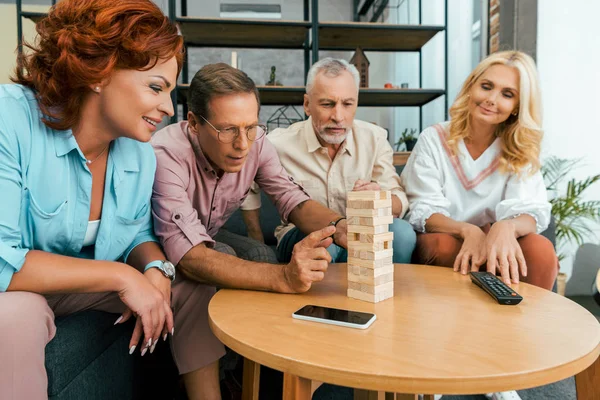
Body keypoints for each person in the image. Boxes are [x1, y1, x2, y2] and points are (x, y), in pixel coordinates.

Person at [0, 1, 222, 398]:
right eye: (156, 87)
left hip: (78, 285)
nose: (168, 108)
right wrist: (122, 276)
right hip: (16, 288)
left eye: (170, 91)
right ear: (98, 72)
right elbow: (3, 261)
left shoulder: (137, 151)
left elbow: (136, 230)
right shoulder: (10, 119)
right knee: (14, 317)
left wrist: (155, 268)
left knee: (194, 289)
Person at [150, 63, 350, 394]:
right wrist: (284, 277)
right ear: (194, 123)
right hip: (160, 245)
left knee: (259, 252)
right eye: (227, 129)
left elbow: (292, 200)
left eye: (251, 128)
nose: (243, 144)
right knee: (222, 259)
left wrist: (341, 227)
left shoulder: (255, 143)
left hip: (207, 233)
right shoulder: (166, 153)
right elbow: (190, 257)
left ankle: (262, 372)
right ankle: (218, 379)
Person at [401, 50, 558, 292]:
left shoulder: (520, 147)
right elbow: (423, 209)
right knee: (441, 246)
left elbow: (531, 211)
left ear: (517, 106)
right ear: (471, 87)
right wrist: (468, 231)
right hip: (447, 237)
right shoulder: (434, 138)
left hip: (499, 242)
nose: (492, 99)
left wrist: (505, 227)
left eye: (507, 94)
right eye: (486, 86)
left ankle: (522, 326)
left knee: (540, 251)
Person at [241, 58, 416, 263]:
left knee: (402, 234)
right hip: (303, 234)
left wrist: (381, 199)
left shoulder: (374, 138)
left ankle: (386, 293)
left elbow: (400, 199)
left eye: (347, 104)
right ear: (307, 104)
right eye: (327, 104)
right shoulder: (277, 143)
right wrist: (257, 240)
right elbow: (247, 185)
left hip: (361, 231)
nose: (338, 116)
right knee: (326, 244)